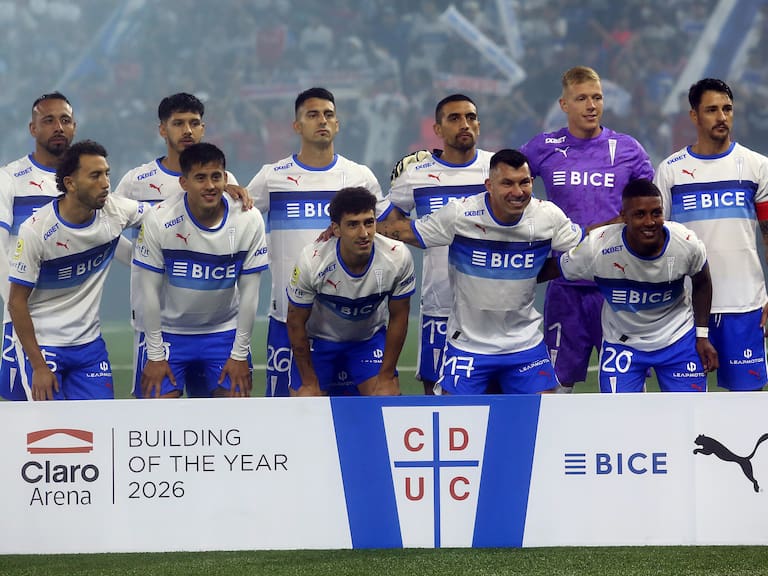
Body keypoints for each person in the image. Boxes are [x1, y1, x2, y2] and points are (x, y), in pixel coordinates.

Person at [379, 149, 583, 394]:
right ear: (489, 185)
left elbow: (584, 250)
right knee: (452, 422)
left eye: (524, 183)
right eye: (507, 183)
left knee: (544, 420)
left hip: (524, 344)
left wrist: (617, 230)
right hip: (468, 345)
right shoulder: (459, 214)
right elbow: (407, 232)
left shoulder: (548, 216)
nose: (517, 192)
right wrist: (352, 228)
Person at [520, 66, 654, 393]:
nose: (591, 106)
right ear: (564, 104)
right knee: (556, 386)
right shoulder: (542, 147)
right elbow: (505, 180)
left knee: (626, 386)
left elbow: (649, 206)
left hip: (617, 285)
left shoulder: (628, 150)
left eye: (597, 98)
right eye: (581, 98)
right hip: (565, 285)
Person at [247, 87, 383, 397]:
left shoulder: (359, 176)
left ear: (337, 124)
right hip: (288, 320)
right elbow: (238, 216)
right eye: (312, 115)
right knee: (287, 420)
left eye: (328, 115)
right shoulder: (273, 177)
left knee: (358, 417)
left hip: (351, 323)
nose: (322, 120)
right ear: (297, 126)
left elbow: (383, 230)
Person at [112, 93, 247, 396]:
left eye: (194, 123)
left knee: (226, 416)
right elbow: (108, 230)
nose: (187, 130)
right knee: (159, 421)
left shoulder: (224, 181)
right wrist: (140, 258)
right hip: (157, 323)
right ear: (163, 129)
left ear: (203, 128)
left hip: (215, 323)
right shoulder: (138, 181)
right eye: (178, 123)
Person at [541, 179, 717, 392]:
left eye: (656, 213)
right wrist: (507, 274)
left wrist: (702, 336)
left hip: (678, 338)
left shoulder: (686, 243)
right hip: (623, 344)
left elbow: (702, 282)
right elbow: (555, 268)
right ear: (623, 217)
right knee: (620, 421)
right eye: (640, 214)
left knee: (692, 419)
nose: (650, 222)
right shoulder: (596, 247)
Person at [4, 140, 147, 401]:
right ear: (70, 183)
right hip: (44, 346)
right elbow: (16, 303)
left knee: (101, 429)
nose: (105, 183)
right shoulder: (36, 230)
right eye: (95, 175)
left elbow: (167, 216)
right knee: (51, 434)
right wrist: (38, 365)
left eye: (106, 174)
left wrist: (223, 193)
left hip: (89, 348)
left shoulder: (116, 210)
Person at [654, 78, 768, 392]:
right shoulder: (670, 171)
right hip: (685, 310)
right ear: (694, 116)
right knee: (686, 407)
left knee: (748, 406)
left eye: (727, 109)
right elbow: (657, 243)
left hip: (744, 307)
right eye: (712, 110)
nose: (721, 117)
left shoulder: (757, 166)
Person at [133, 143, 268, 398]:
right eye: (200, 178)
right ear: (184, 183)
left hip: (222, 331)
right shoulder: (159, 219)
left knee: (235, 414)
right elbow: (148, 291)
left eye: (216, 177)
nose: (210, 186)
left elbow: (251, 294)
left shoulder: (248, 219)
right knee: (155, 416)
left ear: (226, 178)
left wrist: (239, 354)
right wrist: (154, 354)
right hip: (170, 332)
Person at [380, 94, 493, 394]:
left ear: (479, 125)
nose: (464, 124)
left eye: (470, 117)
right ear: (438, 129)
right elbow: (385, 224)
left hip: (493, 305)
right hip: (439, 303)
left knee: (498, 395)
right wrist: (426, 234)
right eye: (454, 118)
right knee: (436, 393)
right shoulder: (416, 175)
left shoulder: (495, 169)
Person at [286, 187, 414, 396]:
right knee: (306, 402)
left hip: (368, 340)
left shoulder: (397, 257)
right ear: (336, 229)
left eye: (368, 222)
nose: (364, 233)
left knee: (386, 396)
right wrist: (309, 381)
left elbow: (400, 316)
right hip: (319, 342)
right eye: (353, 225)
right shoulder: (312, 261)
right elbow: (295, 321)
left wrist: (386, 376)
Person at [0, 92, 77, 400]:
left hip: (74, 323)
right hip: (22, 317)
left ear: (74, 127)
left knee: (88, 416)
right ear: (33, 129)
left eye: (65, 120)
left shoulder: (83, 180)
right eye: (48, 120)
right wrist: (16, 305)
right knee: (26, 418)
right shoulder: (10, 178)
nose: (58, 126)